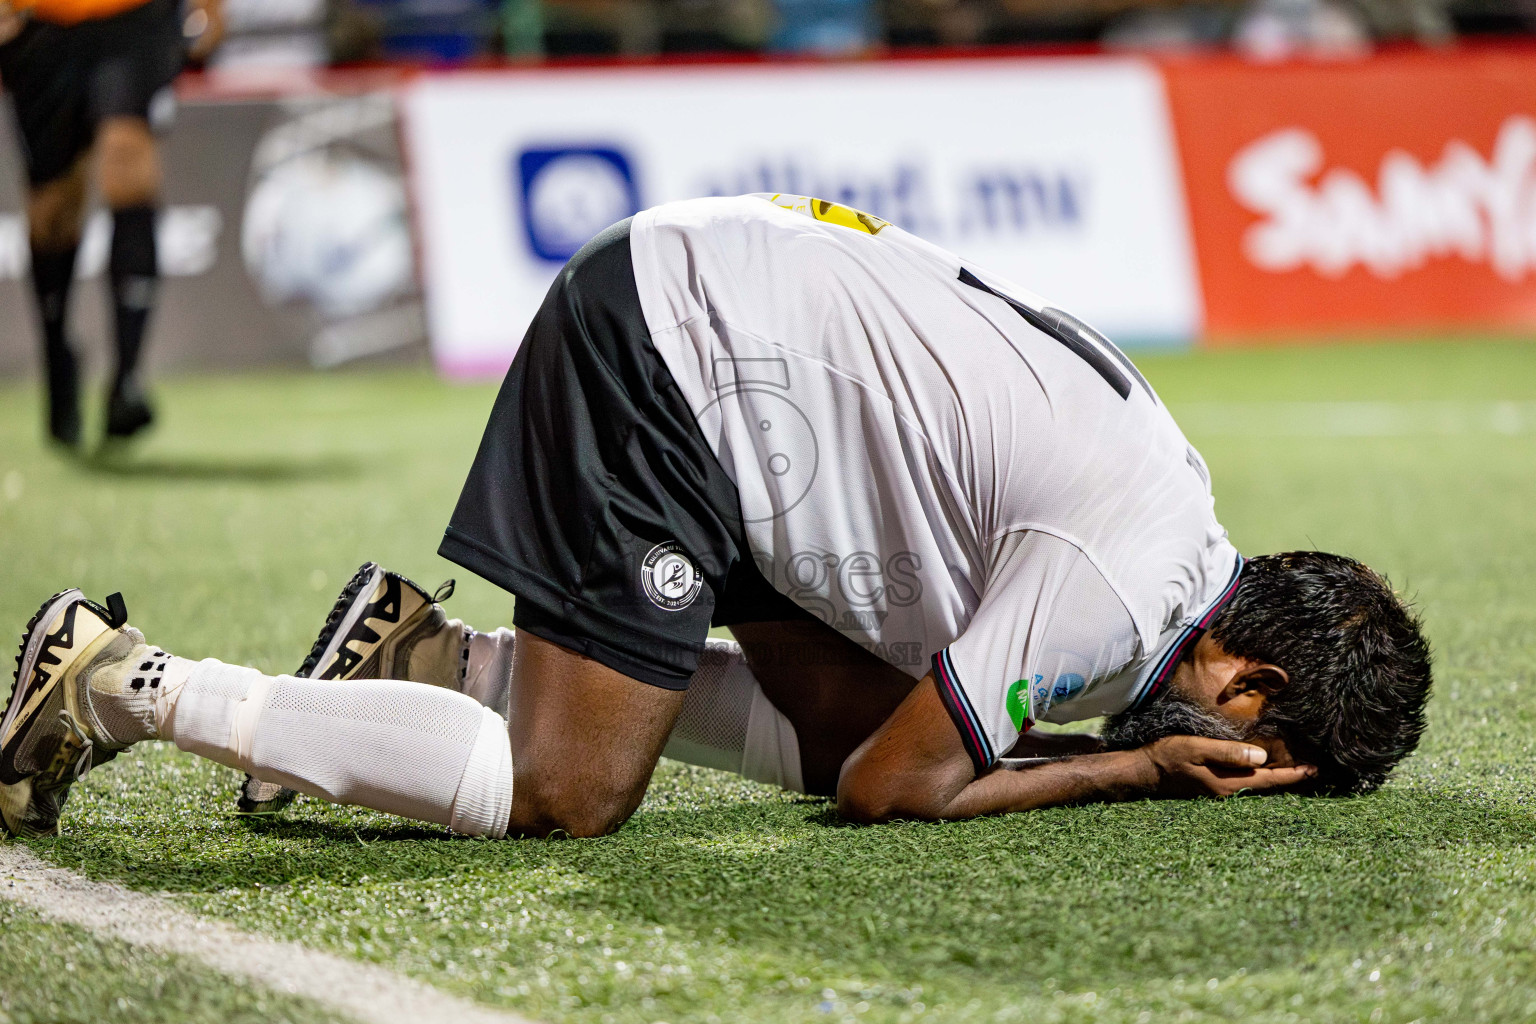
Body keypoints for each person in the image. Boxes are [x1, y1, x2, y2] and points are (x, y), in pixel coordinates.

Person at [0, 194, 1433, 841]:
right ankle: (125, 685)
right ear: (1252, 684)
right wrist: (1132, 775)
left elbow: (868, 753)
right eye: (1271, 755)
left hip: (753, 382)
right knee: (569, 795)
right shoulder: (1116, 596)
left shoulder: (1178, 525)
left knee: (836, 734)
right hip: (681, 362)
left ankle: (433, 660)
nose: (1243, 767)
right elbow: (901, 795)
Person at [0, 0, 222, 447]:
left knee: (128, 163)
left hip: (135, 18)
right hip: (42, 24)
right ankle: (57, 355)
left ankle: (128, 377)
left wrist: (211, 7)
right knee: (52, 212)